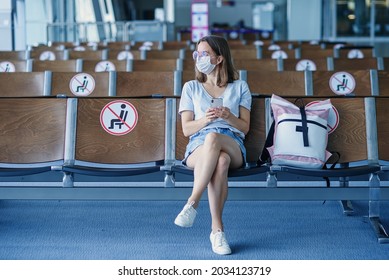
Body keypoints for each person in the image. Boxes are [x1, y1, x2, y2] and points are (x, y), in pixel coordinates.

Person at [174, 35, 252, 255]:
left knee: (216, 140)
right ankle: (217, 231)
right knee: (221, 160)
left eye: (204, 53)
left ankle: (192, 203)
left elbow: (244, 128)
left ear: (219, 58)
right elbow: (187, 129)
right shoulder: (191, 87)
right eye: (196, 53)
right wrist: (206, 120)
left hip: (232, 141)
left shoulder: (240, 87)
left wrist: (228, 117)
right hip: (198, 145)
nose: (199, 57)